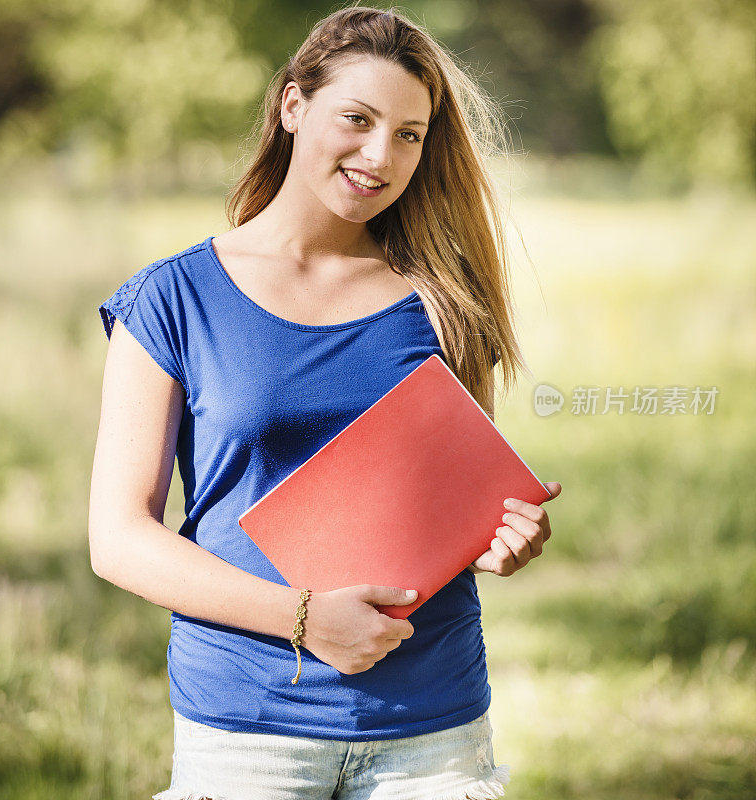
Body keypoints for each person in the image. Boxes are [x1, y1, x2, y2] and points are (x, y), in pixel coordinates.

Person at [89, 5, 561, 799]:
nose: (381, 154)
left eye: (410, 133)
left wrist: (499, 535)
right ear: (293, 106)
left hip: (431, 728)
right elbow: (118, 538)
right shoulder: (171, 300)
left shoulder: (440, 299)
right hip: (247, 730)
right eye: (358, 118)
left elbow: (447, 496)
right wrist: (305, 619)